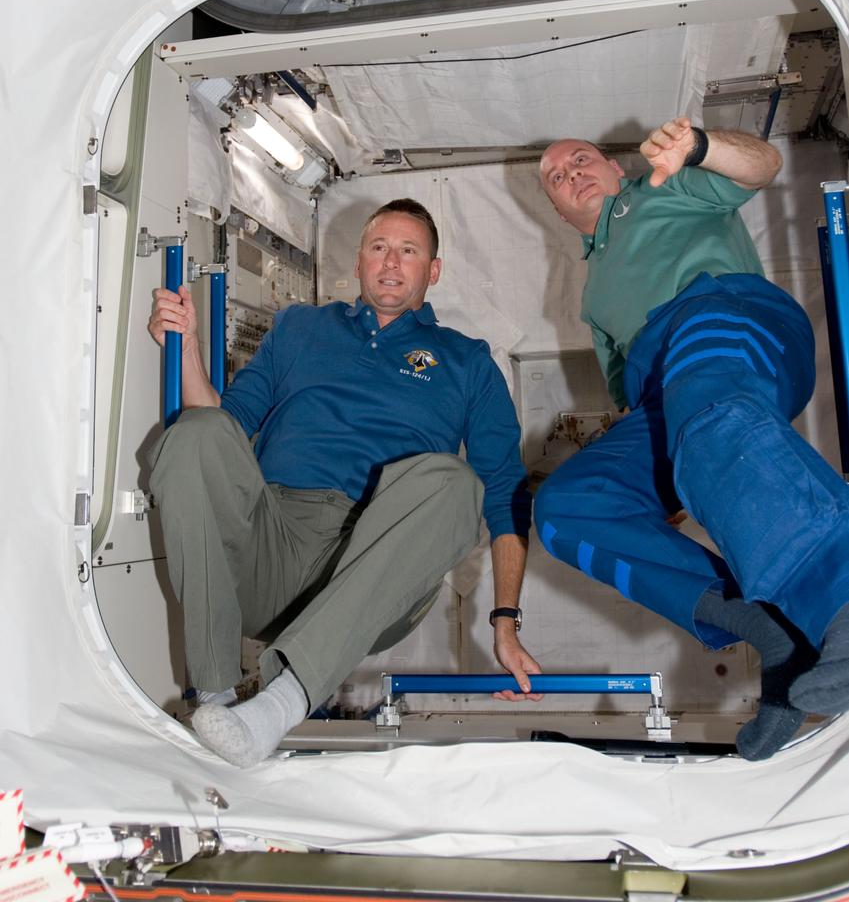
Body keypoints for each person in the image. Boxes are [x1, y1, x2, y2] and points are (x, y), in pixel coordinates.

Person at [148, 197, 539, 768]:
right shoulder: (299, 328)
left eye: (409, 251)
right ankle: (215, 697)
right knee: (195, 434)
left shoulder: (468, 361)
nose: (390, 262)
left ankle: (279, 705)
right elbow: (226, 435)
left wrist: (505, 621)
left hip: (375, 562)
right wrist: (183, 349)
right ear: (357, 262)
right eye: (378, 247)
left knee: (454, 481)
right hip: (272, 542)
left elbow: (504, 494)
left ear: (433, 271)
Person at [535, 117, 849, 761]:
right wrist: (656, 478)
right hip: (667, 388)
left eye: (582, 159)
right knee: (567, 508)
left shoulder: (657, 191)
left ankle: (840, 593)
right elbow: (631, 397)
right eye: (557, 179)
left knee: (705, 402)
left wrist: (701, 147)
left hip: (729, 316)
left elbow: (762, 165)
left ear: (615, 169)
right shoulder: (593, 297)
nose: (572, 174)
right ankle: (775, 634)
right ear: (560, 213)